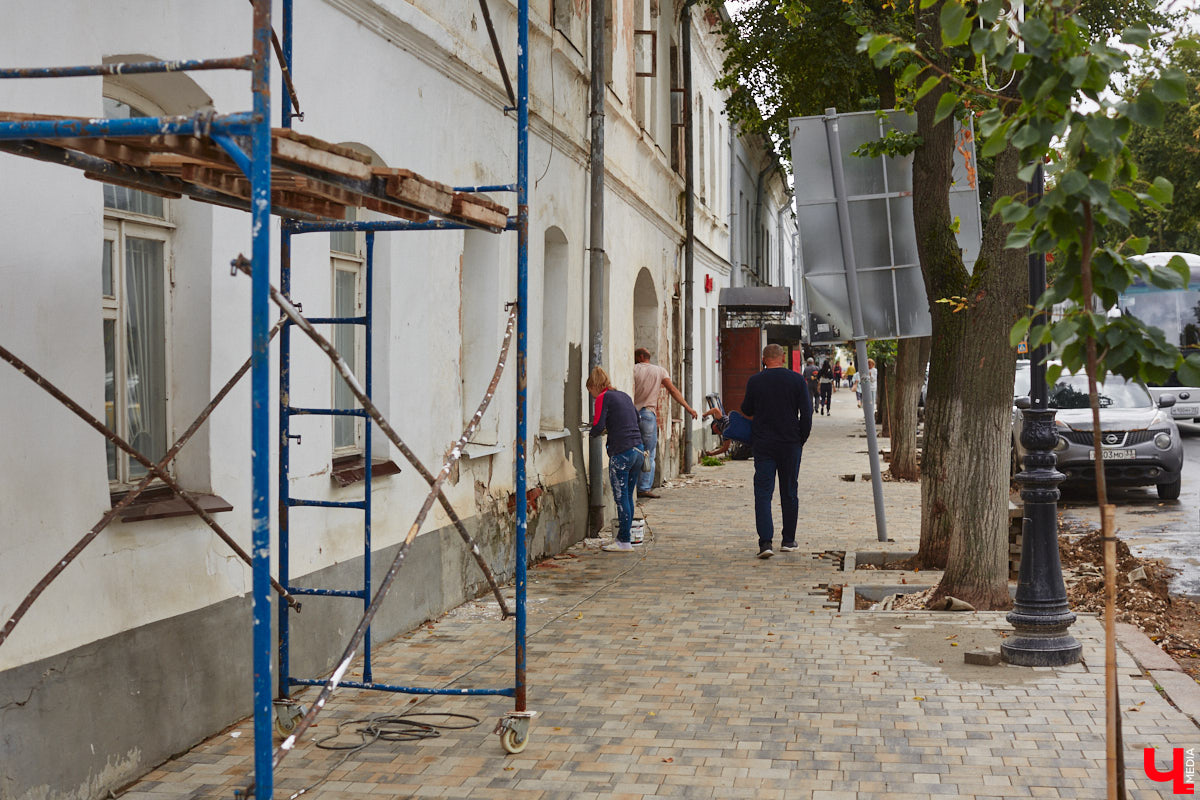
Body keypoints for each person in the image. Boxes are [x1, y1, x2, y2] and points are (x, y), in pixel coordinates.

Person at [741, 343, 813, 559]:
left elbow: (746, 409)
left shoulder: (755, 381)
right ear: (783, 358)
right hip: (790, 443)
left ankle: (765, 543)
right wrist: (801, 438)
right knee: (789, 491)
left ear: (764, 359)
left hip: (763, 444)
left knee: (763, 493)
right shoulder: (797, 380)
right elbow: (807, 414)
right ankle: (789, 540)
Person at [587, 366, 644, 552]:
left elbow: (598, 424)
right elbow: (638, 419)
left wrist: (592, 432)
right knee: (628, 496)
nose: (593, 397)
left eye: (592, 393)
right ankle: (623, 538)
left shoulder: (603, 397)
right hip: (638, 450)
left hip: (622, 452)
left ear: (595, 386)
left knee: (621, 497)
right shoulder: (624, 396)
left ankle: (624, 541)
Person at [632, 348, 698, 499]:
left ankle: (632, 486)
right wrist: (688, 408)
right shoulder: (660, 371)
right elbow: (673, 391)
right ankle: (644, 488)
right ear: (647, 357)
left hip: (632, 414)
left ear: (640, 357)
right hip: (648, 414)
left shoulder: (633, 369)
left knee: (634, 451)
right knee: (649, 453)